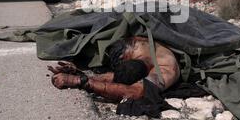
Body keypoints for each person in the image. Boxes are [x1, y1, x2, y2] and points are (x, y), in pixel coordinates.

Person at [48, 37, 181, 102]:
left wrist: (80, 81)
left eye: (122, 60)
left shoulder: (166, 68)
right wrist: (81, 75)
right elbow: (117, 76)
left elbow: (135, 92)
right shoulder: (143, 44)